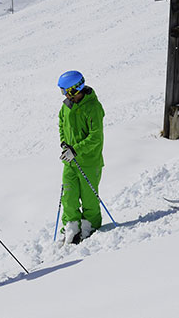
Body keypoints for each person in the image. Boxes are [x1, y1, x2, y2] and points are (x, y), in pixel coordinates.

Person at [57, 70, 106, 244]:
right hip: (70, 162)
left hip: (89, 162)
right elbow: (61, 123)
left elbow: (96, 137)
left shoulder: (93, 107)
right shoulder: (67, 106)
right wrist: (64, 144)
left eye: (65, 91)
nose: (64, 95)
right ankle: (71, 228)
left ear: (74, 89)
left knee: (89, 198)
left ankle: (89, 228)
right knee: (68, 198)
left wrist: (76, 150)